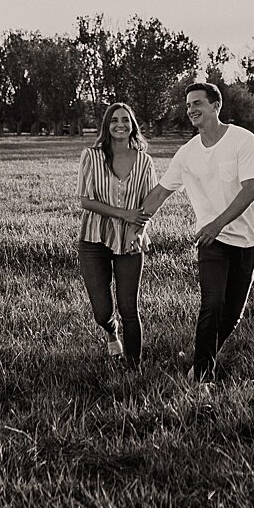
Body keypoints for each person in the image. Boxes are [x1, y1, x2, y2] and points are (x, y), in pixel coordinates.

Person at [142, 82, 254, 385]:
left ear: (216, 106)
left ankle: (202, 353)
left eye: (197, 103)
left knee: (233, 314)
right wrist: (137, 224)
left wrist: (218, 222)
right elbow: (160, 193)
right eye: (188, 105)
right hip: (213, 241)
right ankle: (202, 377)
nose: (191, 110)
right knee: (212, 304)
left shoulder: (242, 140)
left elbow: (249, 191)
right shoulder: (187, 154)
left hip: (247, 239)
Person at [76, 102, 156, 366]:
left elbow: (149, 202)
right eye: (114, 120)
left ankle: (133, 368)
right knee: (101, 311)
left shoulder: (144, 161)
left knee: (129, 309)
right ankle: (111, 332)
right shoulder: (91, 155)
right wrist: (123, 213)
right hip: (93, 238)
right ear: (106, 126)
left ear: (132, 125)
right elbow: (85, 200)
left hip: (130, 240)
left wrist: (140, 228)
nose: (120, 125)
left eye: (125, 120)